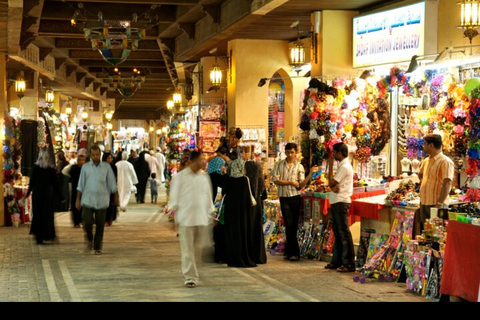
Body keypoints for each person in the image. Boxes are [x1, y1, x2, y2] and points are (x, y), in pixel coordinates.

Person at [168, 150, 215, 288]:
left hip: (201, 218)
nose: (203, 162)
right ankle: (190, 277)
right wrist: (173, 215)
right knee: (187, 250)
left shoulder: (204, 178)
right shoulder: (180, 177)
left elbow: (208, 197)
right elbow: (174, 197)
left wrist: (211, 214)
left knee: (199, 248)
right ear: (193, 161)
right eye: (201, 159)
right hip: (186, 219)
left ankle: (193, 271)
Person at [271, 142, 318, 262]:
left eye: (292, 152)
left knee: (293, 224)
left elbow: (301, 184)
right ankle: (293, 252)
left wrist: (311, 174)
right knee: (288, 223)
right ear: (284, 152)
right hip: (284, 197)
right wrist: (291, 182)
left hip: (295, 197)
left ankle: (290, 250)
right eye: (287, 152)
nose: (290, 155)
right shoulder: (279, 165)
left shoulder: (299, 167)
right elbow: (275, 180)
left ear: (296, 153)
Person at [76, 144, 118, 255]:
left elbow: (112, 184)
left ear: (100, 155)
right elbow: (81, 184)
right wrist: (78, 199)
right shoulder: (85, 167)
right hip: (88, 199)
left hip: (102, 199)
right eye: (93, 155)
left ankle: (97, 246)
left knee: (100, 224)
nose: (95, 157)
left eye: (97, 154)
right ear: (90, 155)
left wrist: (116, 197)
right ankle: (89, 239)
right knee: (87, 221)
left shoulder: (106, 167)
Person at [324, 142, 356, 272]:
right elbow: (332, 185)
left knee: (343, 233)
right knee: (337, 232)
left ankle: (348, 263)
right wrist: (332, 186)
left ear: (339, 153)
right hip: (337, 201)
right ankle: (337, 261)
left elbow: (332, 182)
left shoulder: (344, 167)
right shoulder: (343, 166)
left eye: (334, 152)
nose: (333, 155)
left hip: (341, 201)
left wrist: (330, 167)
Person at [25, 147, 65, 244]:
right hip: (45, 196)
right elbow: (56, 184)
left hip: (41, 196)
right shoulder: (49, 168)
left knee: (39, 215)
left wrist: (27, 194)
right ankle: (44, 235)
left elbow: (32, 183)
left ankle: (40, 236)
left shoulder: (38, 168)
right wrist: (61, 196)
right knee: (44, 216)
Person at [222, 158, 257, 268]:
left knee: (232, 235)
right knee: (242, 234)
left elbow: (223, 193)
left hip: (231, 213)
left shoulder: (228, 180)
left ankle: (233, 259)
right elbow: (249, 197)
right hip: (243, 214)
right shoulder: (244, 180)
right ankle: (243, 258)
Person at [418, 133, 454, 232]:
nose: (423, 146)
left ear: (431, 145)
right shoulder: (426, 161)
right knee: (425, 233)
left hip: (437, 204)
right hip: (424, 202)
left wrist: (439, 204)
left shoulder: (445, 162)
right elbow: (421, 175)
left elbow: (447, 183)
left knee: (437, 234)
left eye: (425, 144)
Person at [207, 146, 229, 264]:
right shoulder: (223, 178)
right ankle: (222, 255)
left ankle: (216, 254)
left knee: (214, 233)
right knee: (222, 232)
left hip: (210, 209)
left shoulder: (206, 177)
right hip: (221, 210)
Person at [245, 160, 267, 264]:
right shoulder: (260, 180)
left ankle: (251, 255)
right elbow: (265, 195)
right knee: (258, 231)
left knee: (250, 231)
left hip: (249, 209)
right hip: (258, 208)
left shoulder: (246, 181)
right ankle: (259, 256)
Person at [62, 148, 88, 228]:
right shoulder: (74, 168)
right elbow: (64, 171)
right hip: (75, 189)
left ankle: (83, 220)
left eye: (83, 160)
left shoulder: (87, 168)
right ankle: (76, 222)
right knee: (75, 205)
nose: (81, 161)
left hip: (85, 190)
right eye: (80, 160)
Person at [103, 151, 118, 226]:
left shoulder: (113, 166)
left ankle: (110, 219)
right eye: (108, 158)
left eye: (111, 158)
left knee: (111, 204)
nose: (110, 159)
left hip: (111, 188)